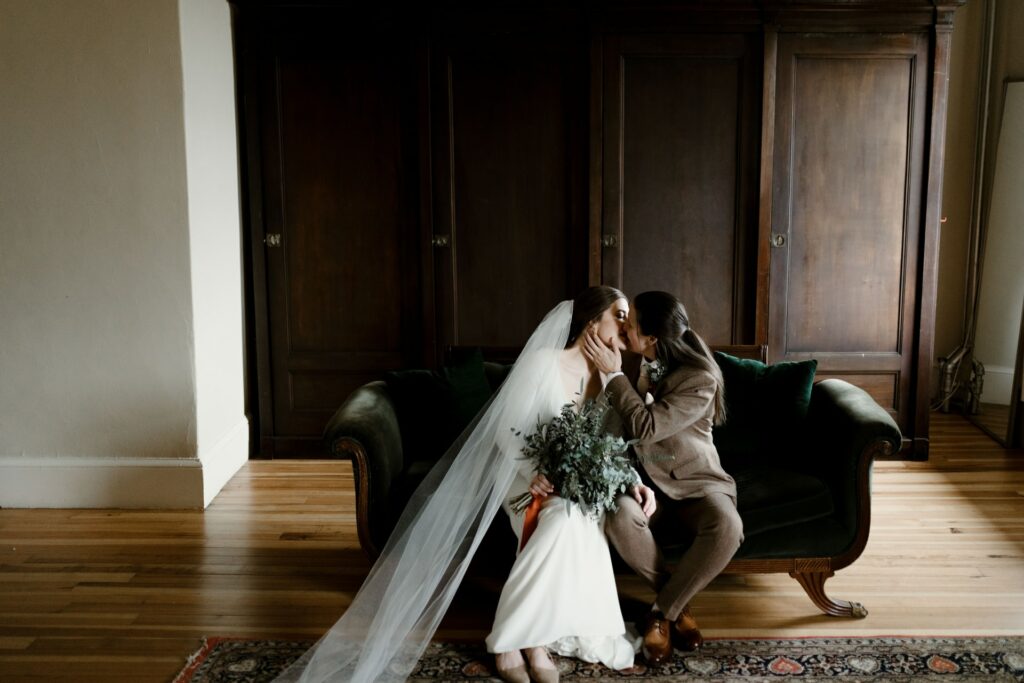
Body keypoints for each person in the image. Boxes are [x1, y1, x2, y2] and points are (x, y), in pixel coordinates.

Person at [274, 287, 651, 683]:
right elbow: (510, 432)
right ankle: (529, 643)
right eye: (620, 315)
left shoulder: (613, 379)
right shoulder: (543, 363)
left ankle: (513, 637)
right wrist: (534, 476)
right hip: (523, 481)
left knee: (574, 520)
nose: (627, 325)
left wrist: (632, 482)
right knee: (559, 520)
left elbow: (616, 446)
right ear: (593, 321)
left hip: (573, 485)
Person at [582, 291, 743, 666]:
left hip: (696, 483)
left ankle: (660, 613)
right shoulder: (640, 360)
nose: (624, 325)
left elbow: (646, 424)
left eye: (631, 321)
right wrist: (626, 478)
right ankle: (677, 606)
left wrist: (614, 375)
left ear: (651, 337)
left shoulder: (699, 378)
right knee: (619, 516)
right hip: (644, 484)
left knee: (728, 527)